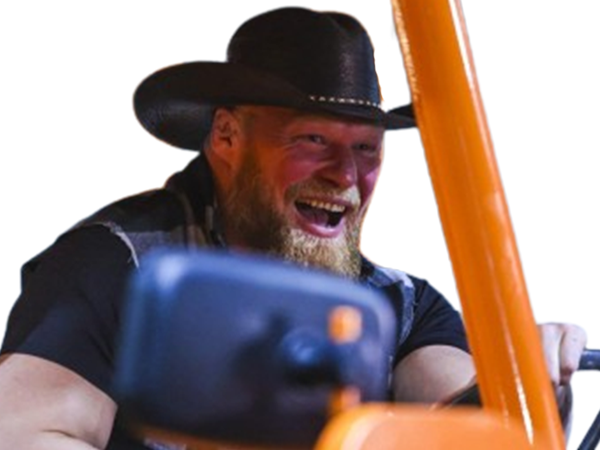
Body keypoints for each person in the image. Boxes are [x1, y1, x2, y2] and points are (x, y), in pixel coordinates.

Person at [0, 7, 587, 450]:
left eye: (366, 149)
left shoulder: (400, 307)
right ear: (226, 137)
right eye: (314, 140)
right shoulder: (119, 267)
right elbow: (24, 431)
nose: (346, 176)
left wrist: (533, 384)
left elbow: (462, 425)